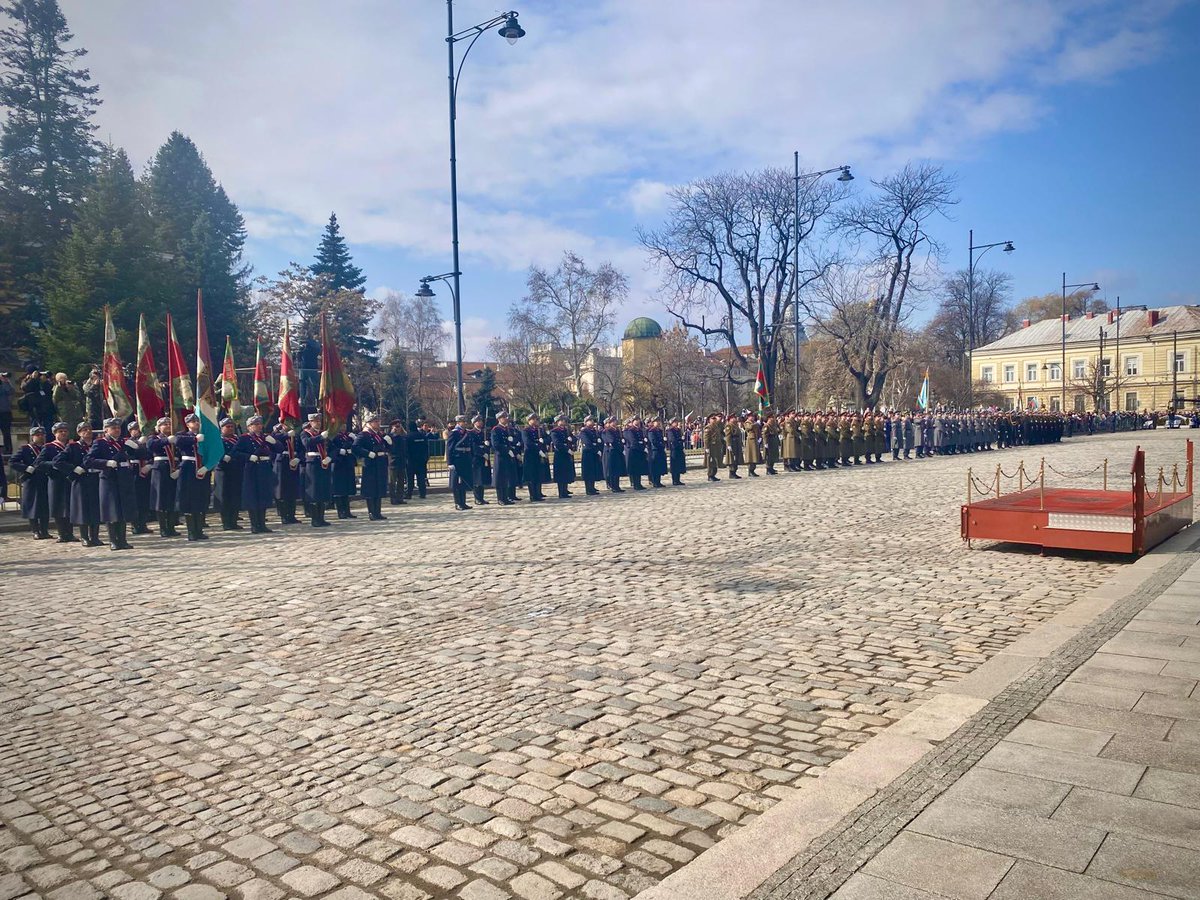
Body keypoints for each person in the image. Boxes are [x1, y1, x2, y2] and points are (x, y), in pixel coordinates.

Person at [86, 417, 136, 550]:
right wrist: (106, 463)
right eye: (113, 428)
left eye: (118, 428)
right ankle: (113, 540)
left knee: (123, 510)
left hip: (124, 479)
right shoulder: (100, 443)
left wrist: (137, 447)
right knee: (111, 511)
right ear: (106, 430)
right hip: (109, 480)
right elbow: (88, 460)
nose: (117, 430)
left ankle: (123, 540)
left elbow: (142, 455)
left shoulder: (124, 442)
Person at [235, 415, 276, 533]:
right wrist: (248, 457)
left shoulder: (265, 438)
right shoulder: (244, 439)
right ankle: (254, 525)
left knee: (263, 496)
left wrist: (274, 442)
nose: (258, 426)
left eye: (259, 424)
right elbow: (235, 453)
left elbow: (279, 448)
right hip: (252, 469)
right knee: (253, 497)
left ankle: (262, 524)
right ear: (249, 427)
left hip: (265, 469)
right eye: (255, 424)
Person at [37, 422, 77, 542]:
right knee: (58, 506)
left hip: (69, 479)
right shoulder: (49, 447)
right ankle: (61, 533)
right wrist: (53, 465)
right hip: (56, 479)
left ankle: (70, 533)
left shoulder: (72, 446)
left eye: (65, 431)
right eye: (60, 431)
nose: (63, 433)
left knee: (69, 506)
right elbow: (39, 463)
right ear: (55, 434)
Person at [174, 413, 211, 541]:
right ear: (187, 424)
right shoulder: (182, 435)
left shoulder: (204, 436)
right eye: (193, 422)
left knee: (200, 498)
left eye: (197, 421)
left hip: (202, 467)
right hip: (188, 468)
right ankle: (191, 531)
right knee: (189, 499)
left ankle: (199, 530)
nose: (196, 423)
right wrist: (195, 440)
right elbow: (178, 441)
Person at [67, 421, 102, 547]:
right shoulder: (73, 447)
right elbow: (58, 461)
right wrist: (74, 469)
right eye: (84, 430)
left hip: (95, 479)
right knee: (83, 509)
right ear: (79, 433)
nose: (87, 431)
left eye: (89, 429)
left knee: (95, 509)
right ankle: (84, 537)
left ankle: (95, 536)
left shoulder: (97, 445)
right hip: (81, 480)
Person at [11, 425, 49, 539]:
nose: (41, 437)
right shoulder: (25, 449)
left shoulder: (47, 448)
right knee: (33, 507)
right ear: (32, 437)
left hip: (44, 479)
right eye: (38, 435)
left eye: (42, 435)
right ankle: (35, 531)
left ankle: (44, 530)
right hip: (31, 480)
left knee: (44, 506)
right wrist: (26, 468)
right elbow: (13, 462)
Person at [147, 417, 181, 537]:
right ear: (159, 427)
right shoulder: (155, 438)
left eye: (169, 424)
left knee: (171, 498)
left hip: (173, 469)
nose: (167, 426)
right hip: (160, 470)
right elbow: (151, 446)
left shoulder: (176, 438)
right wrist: (166, 441)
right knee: (160, 500)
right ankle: (163, 528)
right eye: (164, 424)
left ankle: (171, 526)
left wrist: (179, 468)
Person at [355, 412, 389, 521]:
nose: (378, 423)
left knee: (379, 488)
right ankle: (371, 512)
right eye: (375, 421)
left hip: (379, 463)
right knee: (371, 489)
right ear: (370, 423)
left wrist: (388, 443)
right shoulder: (364, 434)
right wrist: (367, 453)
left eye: (378, 421)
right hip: (370, 464)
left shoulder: (378, 434)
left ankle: (377, 512)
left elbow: (383, 448)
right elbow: (356, 447)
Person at [300, 413, 332, 527]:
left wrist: (330, 457)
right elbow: (306, 443)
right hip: (313, 463)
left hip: (324, 462)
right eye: (315, 421)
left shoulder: (323, 433)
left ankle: (321, 518)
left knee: (323, 490)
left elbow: (333, 447)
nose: (318, 422)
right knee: (314, 492)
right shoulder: (305, 433)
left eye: (319, 421)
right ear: (310, 422)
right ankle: (315, 519)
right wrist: (320, 437)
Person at [213, 418, 244, 531]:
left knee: (235, 496)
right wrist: (222, 457)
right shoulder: (217, 440)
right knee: (224, 497)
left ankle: (234, 521)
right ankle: (226, 522)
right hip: (223, 470)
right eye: (227, 427)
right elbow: (213, 452)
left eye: (232, 426)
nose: (230, 428)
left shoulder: (237, 439)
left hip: (236, 470)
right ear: (221, 428)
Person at [124, 419, 153, 534]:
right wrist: (139, 444)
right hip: (134, 472)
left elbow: (151, 455)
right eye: (135, 429)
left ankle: (143, 523)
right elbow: (129, 453)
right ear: (130, 431)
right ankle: (135, 525)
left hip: (145, 471)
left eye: (139, 429)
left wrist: (150, 465)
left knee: (144, 499)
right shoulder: (128, 442)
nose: (137, 431)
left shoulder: (146, 441)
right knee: (135, 499)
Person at [271, 422, 302, 525]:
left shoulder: (295, 435)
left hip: (293, 463)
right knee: (282, 491)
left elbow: (301, 449)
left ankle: (292, 515)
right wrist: (286, 435)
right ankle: (284, 516)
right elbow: (274, 439)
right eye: (286, 423)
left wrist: (298, 458)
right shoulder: (277, 433)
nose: (288, 426)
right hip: (282, 464)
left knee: (292, 490)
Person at [445, 414, 474, 510]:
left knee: (463, 482)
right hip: (457, 460)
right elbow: (449, 448)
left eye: (465, 421)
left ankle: (463, 502)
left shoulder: (466, 433)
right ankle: (458, 503)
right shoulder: (454, 433)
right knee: (457, 483)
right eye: (463, 421)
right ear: (458, 422)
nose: (465, 423)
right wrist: (450, 463)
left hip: (465, 459)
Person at [490, 410, 518, 504]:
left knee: (507, 478)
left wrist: (513, 447)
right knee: (500, 478)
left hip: (508, 456)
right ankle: (500, 499)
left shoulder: (508, 429)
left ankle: (506, 497)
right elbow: (496, 445)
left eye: (506, 417)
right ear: (499, 419)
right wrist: (507, 450)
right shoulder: (496, 429)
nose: (506, 419)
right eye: (504, 417)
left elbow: (512, 441)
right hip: (501, 456)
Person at [330, 426, 358, 519]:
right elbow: (330, 448)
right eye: (341, 424)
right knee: (339, 489)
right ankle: (341, 511)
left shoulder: (348, 436)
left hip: (347, 463)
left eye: (345, 424)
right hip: (339, 464)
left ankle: (347, 511)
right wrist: (338, 451)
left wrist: (354, 439)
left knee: (346, 488)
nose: (344, 427)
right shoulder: (334, 436)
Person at [550, 414, 577, 498]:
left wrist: (571, 439)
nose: (564, 422)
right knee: (561, 474)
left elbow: (575, 438)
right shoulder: (554, 431)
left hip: (567, 455)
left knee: (566, 473)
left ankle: (565, 490)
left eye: (564, 420)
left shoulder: (566, 430)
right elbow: (557, 443)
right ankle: (561, 493)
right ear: (557, 422)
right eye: (562, 420)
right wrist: (567, 449)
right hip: (560, 454)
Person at [522, 414, 547, 501]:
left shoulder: (539, 430)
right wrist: (538, 450)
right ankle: (533, 495)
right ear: (529, 420)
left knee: (538, 475)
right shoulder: (525, 430)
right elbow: (528, 443)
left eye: (536, 419)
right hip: (530, 455)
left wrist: (544, 441)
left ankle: (538, 494)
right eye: (534, 419)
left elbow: (547, 438)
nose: (536, 421)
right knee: (532, 476)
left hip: (538, 456)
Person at [577, 415, 603, 496]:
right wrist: (596, 450)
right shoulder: (584, 431)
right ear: (585, 422)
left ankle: (592, 487)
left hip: (594, 453)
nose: (592, 421)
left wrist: (599, 448)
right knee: (588, 472)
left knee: (593, 471)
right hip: (588, 453)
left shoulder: (594, 431)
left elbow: (598, 441)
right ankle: (588, 489)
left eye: (592, 420)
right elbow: (587, 443)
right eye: (589, 420)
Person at [407, 418, 431, 499]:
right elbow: (426, 448)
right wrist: (426, 458)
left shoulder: (408, 437)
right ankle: (422, 493)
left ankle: (409, 494)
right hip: (421, 460)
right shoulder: (422, 436)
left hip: (411, 461)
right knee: (421, 478)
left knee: (410, 479)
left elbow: (406, 450)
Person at [469, 415, 491, 506]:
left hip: (484, 458)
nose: (480, 422)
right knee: (477, 480)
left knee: (482, 479)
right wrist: (482, 453)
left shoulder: (484, 433)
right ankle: (477, 498)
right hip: (476, 458)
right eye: (478, 421)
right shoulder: (471, 433)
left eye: (481, 421)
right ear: (474, 423)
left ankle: (481, 498)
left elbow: (488, 443)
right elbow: (474, 446)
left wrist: (487, 446)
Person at [386, 420, 408, 505]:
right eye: (396, 427)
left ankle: (400, 497)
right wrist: (392, 434)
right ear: (392, 427)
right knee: (392, 482)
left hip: (401, 461)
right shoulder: (389, 437)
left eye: (399, 427)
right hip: (393, 461)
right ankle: (393, 498)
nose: (398, 429)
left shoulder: (402, 437)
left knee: (401, 481)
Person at [623, 416, 648, 491]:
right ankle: (635, 484)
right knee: (635, 469)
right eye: (636, 420)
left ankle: (639, 483)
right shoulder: (630, 430)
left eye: (638, 420)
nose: (637, 421)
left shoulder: (639, 430)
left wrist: (643, 446)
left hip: (640, 451)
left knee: (639, 468)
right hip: (634, 451)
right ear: (632, 421)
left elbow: (642, 440)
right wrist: (640, 446)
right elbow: (633, 441)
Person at [601, 417, 625, 493]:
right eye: (613, 421)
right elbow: (612, 440)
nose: (615, 423)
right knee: (612, 470)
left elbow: (619, 440)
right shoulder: (607, 431)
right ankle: (613, 486)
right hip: (611, 452)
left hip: (617, 451)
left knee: (617, 470)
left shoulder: (616, 430)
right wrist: (618, 444)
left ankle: (617, 486)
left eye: (615, 421)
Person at [646, 417, 667, 488]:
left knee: (659, 467)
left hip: (660, 450)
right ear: (653, 422)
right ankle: (655, 482)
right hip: (654, 450)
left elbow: (662, 440)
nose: (658, 423)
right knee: (655, 467)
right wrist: (660, 445)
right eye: (656, 421)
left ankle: (658, 481)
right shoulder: (651, 431)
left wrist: (663, 444)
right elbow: (653, 441)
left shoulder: (659, 430)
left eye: (658, 421)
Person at [666, 417, 687, 486]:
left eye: (676, 421)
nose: (676, 423)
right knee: (675, 465)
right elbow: (673, 440)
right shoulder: (670, 431)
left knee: (679, 465)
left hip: (679, 449)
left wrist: (681, 439)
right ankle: (674, 480)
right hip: (674, 449)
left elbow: (681, 438)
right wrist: (680, 440)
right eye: (675, 422)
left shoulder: (678, 430)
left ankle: (678, 480)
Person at [704, 413, 725, 482]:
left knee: (715, 461)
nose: (714, 420)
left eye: (714, 419)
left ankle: (713, 474)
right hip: (711, 446)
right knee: (711, 461)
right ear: (709, 420)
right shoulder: (708, 427)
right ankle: (710, 475)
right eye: (712, 419)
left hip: (716, 446)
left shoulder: (716, 427)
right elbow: (706, 439)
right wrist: (706, 447)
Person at [724, 414, 744, 479]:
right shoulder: (729, 426)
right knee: (732, 458)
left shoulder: (735, 425)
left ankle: (734, 472)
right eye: (733, 418)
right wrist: (729, 445)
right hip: (732, 442)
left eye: (735, 417)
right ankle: (732, 472)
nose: (735, 419)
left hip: (737, 443)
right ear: (730, 419)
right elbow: (728, 436)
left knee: (736, 457)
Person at [0, 371, 14, 453]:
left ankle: (8, 450)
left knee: (6, 433)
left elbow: (11, 392)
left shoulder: (6, 384)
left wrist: (6, 382)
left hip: (5, 412)